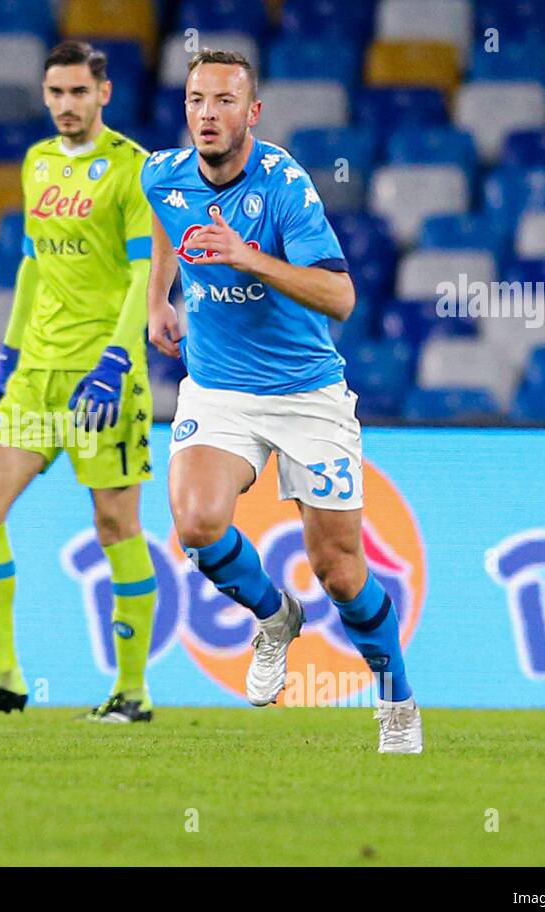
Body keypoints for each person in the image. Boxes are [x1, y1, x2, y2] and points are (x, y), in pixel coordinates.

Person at [141, 49, 423, 753]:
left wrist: (248, 257)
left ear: (253, 113)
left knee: (340, 571)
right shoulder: (162, 174)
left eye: (226, 102)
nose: (209, 114)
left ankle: (396, 699)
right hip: (218, 389)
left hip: (307, 395)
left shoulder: (285, 188)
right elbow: (164, 222)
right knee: (198, 522)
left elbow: (341, 297)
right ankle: (274, 618)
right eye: (198, 100)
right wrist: (157, 300)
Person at [0, 41, 158, 723]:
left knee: (116, 524)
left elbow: (146, 273)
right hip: (37, 376)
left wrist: (118, 362)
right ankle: (4, 678)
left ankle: (132, 691)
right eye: (55, 93)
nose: (65, 105)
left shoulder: (133, 170)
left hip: (103, 377)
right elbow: (33, 266)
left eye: (78, 93)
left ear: (104, 94)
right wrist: (8, 355)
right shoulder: (35, 164)